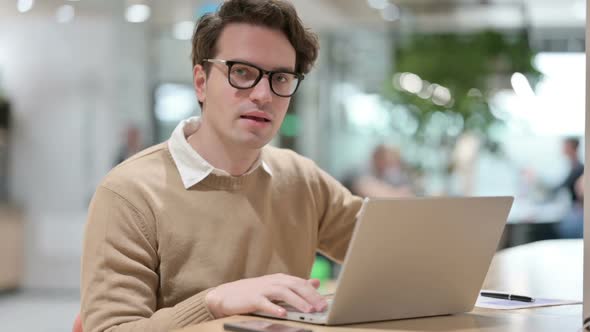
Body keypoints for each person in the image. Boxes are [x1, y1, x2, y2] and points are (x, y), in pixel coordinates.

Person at [80, 1, 363, 331]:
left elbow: (391, 250)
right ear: (201, 82)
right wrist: (212, 303)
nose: (263, 94)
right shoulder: (130, 193)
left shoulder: (301, 178)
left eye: (281, 78)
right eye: (242, 72)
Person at [349, 144, 414, 197]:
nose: (391, 166)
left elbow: (407, 193)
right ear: (377, 157)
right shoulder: (360, 170)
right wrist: (395, 193)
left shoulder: (387, 174)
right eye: (388, 159)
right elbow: (367, 189)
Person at [554, 137, 584, 238]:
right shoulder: (572, 167)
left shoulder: (579, 168)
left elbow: (561, 186)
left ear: (572, 147)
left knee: (564, 229)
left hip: (578, 210)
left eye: (565, 146)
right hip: (574, 209)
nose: (562, 148)